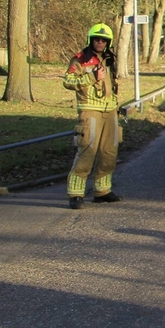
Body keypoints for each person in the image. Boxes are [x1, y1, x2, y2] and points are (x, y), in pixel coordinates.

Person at [63, 23, 123, 209]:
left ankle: (102, 191)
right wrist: (91, 77)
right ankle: (76, 194)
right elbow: (68, 81)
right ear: (91, 40)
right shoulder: (80, 59)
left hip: (110, 111)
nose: (100, 42)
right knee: (87, 152)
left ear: (108, 42)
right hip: (90, 111)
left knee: (109, 153)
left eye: (104, 40)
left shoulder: (108, 59)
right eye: (97, 39)